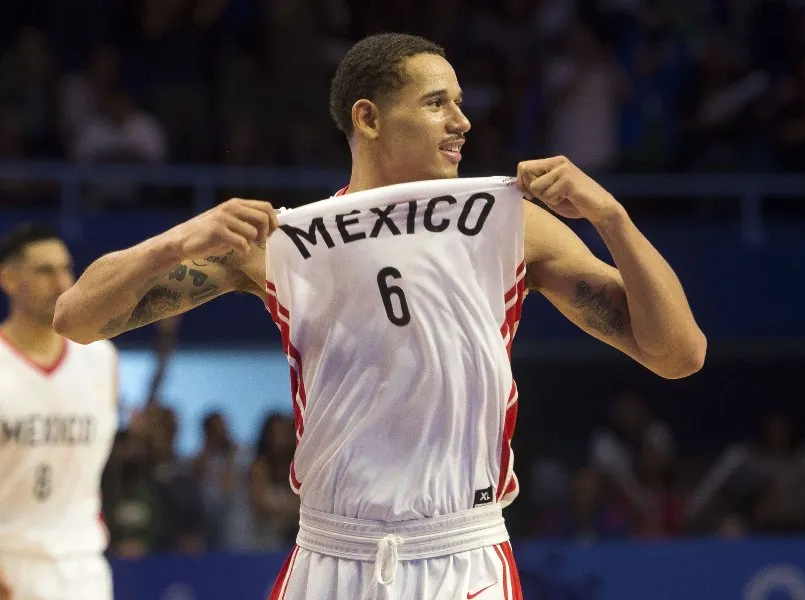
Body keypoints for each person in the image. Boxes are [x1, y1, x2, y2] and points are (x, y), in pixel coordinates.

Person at [54, 33, 706, 599]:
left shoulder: (511, 224)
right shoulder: (280, 242)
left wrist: (611, 219)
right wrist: (173, 243)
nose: (462, 121)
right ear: (368, 118)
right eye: (436, 103)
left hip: (459, 552)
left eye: (459, 102)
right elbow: (76, 320)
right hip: (328, 553)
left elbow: (677, 354)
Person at [0, 223, 118, 600]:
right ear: (8, 278)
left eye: (66, 269)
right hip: (10, 561)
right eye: (44, 270)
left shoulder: (100, 357)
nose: (61, 281)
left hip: (83, 566)